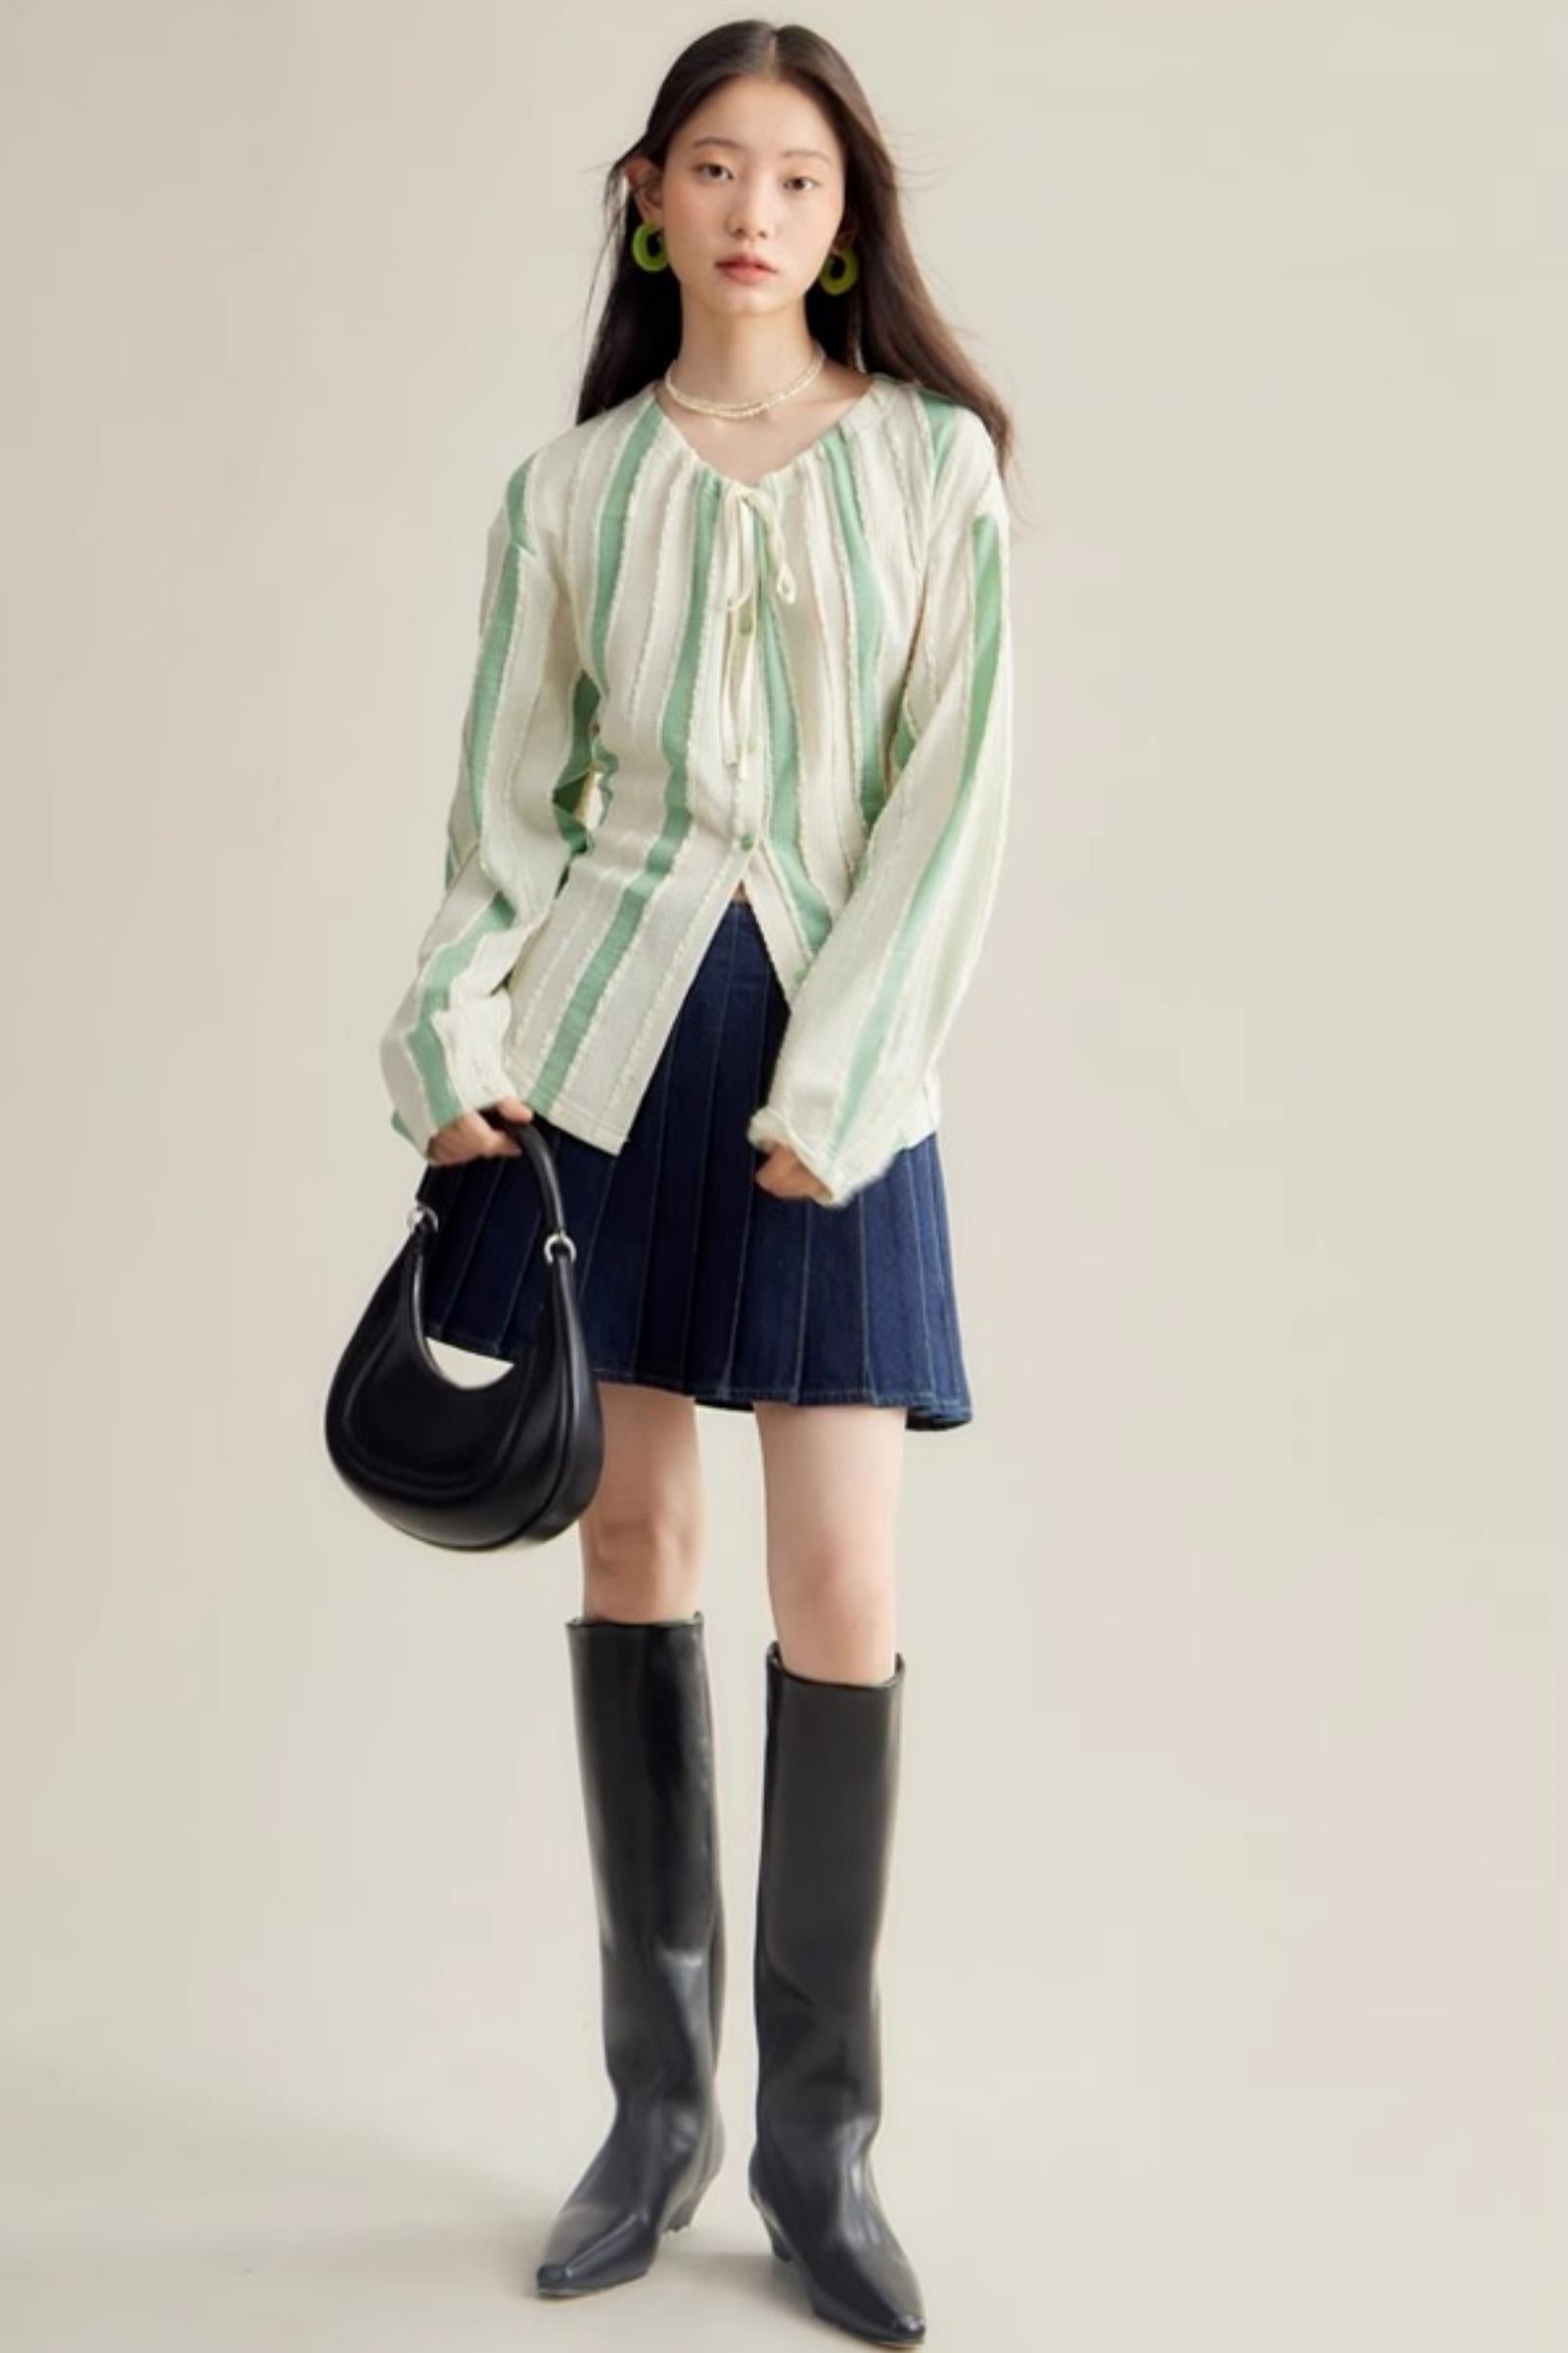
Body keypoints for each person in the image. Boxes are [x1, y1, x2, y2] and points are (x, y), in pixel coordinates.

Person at [376, 23, 1014, 2346]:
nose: (758, 212)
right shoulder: (568, 494)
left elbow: (952, 799)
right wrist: (452, 1047)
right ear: (648, 198)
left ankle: (819, 2152)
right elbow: (504, 808)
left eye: (801, 179)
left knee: (840, 1578)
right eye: (717, 170)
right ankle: (653, 2119)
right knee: (632, 1546)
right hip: (604, 1058)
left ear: (847, 223)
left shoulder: (933, 466)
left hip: (836, 1067)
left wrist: (845, 1082)